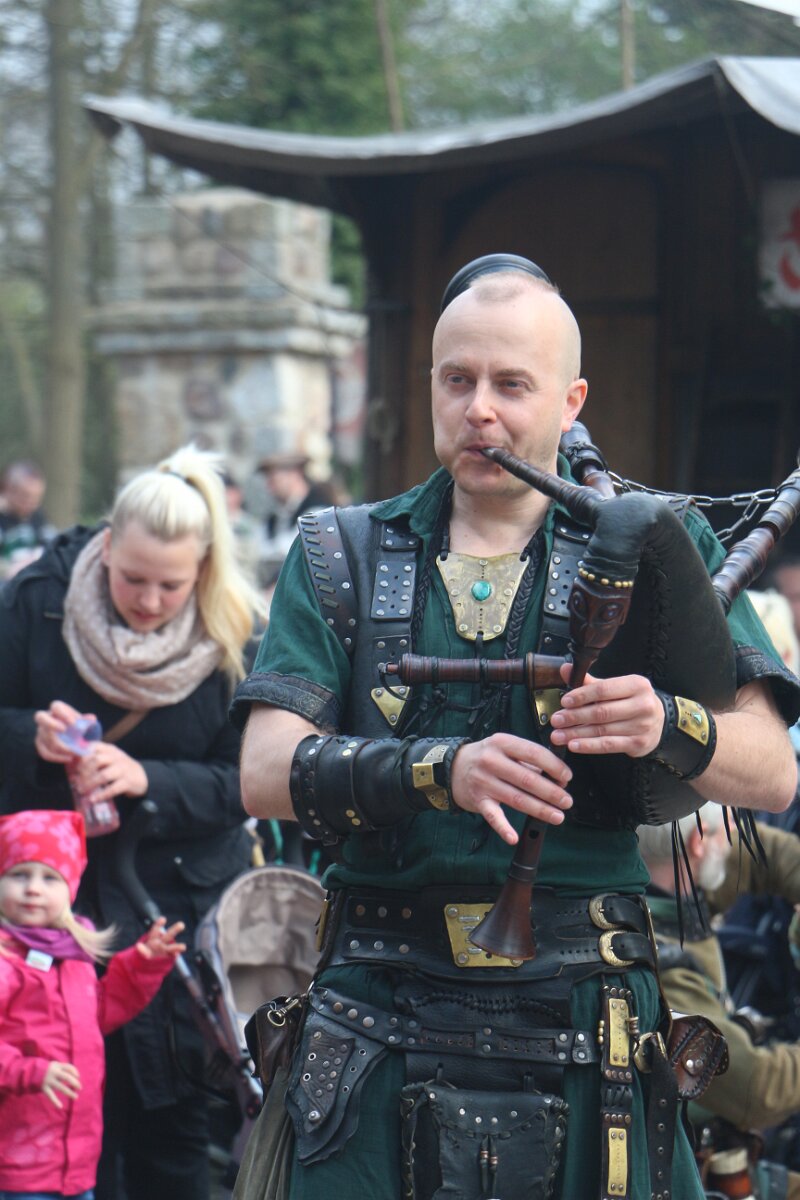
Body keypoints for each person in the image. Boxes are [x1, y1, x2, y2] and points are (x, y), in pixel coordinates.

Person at [231, 254, 800, 1200]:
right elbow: (263, 769)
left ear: (572, 401)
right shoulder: (340, 550)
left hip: (590, 1022)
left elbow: (773, 769)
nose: (480, 411)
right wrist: (437, 769)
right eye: (457, 381)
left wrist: (667, 721)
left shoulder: (659, 543)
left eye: (511, 385)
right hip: (373, 1017)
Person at [0, 444, 267, 1200]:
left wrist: (150, 779)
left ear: (203, 570)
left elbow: (252, 782)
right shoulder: (37, 601)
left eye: (171, 586)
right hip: (48, 911)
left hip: (173, 914)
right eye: (132, 578)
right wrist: (29, 739)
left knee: (171, 1130)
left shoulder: (240, 636)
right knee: (52, 1124)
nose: (148, 601)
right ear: (107, 547)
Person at [0, 808, 184, 1200]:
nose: (33, 889)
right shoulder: (6, 961)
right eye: (19, 875)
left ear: (70, 888)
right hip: (15, 1161)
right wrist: (27, 1071)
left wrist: (142, 964)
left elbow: (96, 1013)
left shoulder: (72, 954)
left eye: (50, 877)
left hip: (74, 1160)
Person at [638, 809, 800, 1199]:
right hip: (687, 1171)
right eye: (727, 830)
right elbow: (758, 1089)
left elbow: (770, 855)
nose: (735, 839)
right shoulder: (664, 971)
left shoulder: (673, 882)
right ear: (699, 843)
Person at [0, 461, 56, 581]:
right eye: (25, 496)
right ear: (9, 491)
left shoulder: (37, 517)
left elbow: (50, 544)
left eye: (36, 498)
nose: (31, 503)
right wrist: (8, 569)